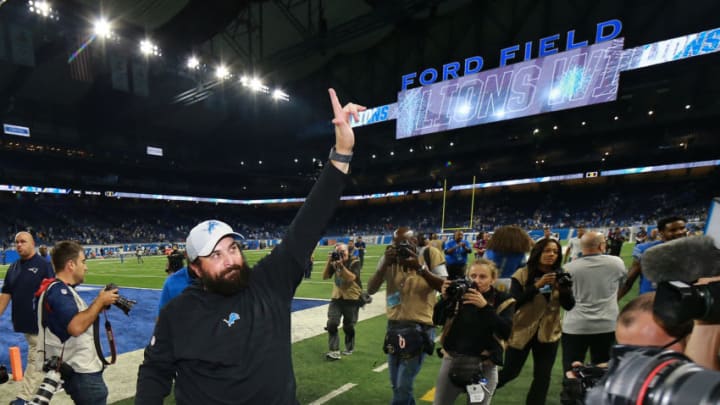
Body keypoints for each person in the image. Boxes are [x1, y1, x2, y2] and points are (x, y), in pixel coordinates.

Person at [135, 88, 365, 403]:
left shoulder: (269, 283)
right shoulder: (178, 314)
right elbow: (154, 370)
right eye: (215, 255)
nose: (230, 259)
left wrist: (342, 152)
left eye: (232, 248)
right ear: (195, 269)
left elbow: (308, 223)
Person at [35, 240, 120, 404]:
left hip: (79, 369)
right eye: (83, 262)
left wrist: (99, 303)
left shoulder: (59, 289)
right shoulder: (59, 291)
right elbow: (76, 326)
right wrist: (99, 301)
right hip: (81, 371)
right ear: (71, 265)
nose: (86, 267)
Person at [368, 226, 445, 405]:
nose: (401, 247)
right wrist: (383, 266)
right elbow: (371, 289)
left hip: (420, 327)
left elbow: (444, 286)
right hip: (394, 326)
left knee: (404, 384)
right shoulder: (389, 259)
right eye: (396, 244)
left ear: (415, 241)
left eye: (405, 243)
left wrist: (420, 268)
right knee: (396, 384)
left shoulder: (430, 254)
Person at [496, 238, 575, 405]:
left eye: (555, 251)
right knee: (510, 372)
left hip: (549, 332)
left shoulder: (562, 274)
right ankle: (480, 390)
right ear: (538, 253)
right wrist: (537, 286)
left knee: (543, 376)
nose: (551, 255)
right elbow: (514, 302)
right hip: (522, 331)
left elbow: (569, 305)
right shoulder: (522, 274)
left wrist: (564, 290)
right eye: (547, 251)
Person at [432, 259, 515, 405]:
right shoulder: (459, 294)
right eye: (473, 276)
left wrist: (485, 307)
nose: (477, 281)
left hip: (485, 364)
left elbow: (506, 332)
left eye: (483, 277)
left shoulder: (503, 299)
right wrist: (445, 299)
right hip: (453, 359)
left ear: (493, 279)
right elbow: (437, 320)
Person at [0, 231, 55, 405]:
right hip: (24, 322)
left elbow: (53, 293)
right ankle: (57, 377)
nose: (18, 245)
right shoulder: (13, 267)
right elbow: (6, 293)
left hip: (40, 322)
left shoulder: (43, 265)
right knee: (45, 356)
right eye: (16, 242)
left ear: (33, 244)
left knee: (35, 358)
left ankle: (24, 397)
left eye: (23, 241)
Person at [560, 232, 627, 372]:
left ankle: (572, 393)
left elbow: (565, 297)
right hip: (607, 324)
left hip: (576, 326)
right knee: (604, 370)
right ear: (602, 246)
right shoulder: (616, 263)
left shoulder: (568, 268)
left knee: (571, 370)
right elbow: (622, 284)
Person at [617, 216, 687, 300]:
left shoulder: (695, 249)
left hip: (681, 302)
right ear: (661, 233)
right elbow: (628, 281)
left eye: (682, 228)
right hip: (650, 302)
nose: (679, 232)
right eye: (673, 230)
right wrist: (613, 302)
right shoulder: (646, 250)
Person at [323, 243, 362, 360]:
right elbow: (325, 276)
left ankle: (349, 347)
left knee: (348, 326)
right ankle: (334, 351)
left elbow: (351, 278)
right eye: (338, 252)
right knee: (332, 323)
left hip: (352, 298)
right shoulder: (334, 261)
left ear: (348, 251)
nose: (340, 255)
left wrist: (341, 267)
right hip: (337, 297)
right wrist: (329, 262)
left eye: (342, 252)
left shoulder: (355, 261)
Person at [484, 225, 533, 291]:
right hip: (512, 283)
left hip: (491, 282)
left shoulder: (489, 251)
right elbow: (523, 270)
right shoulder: (520, 254)